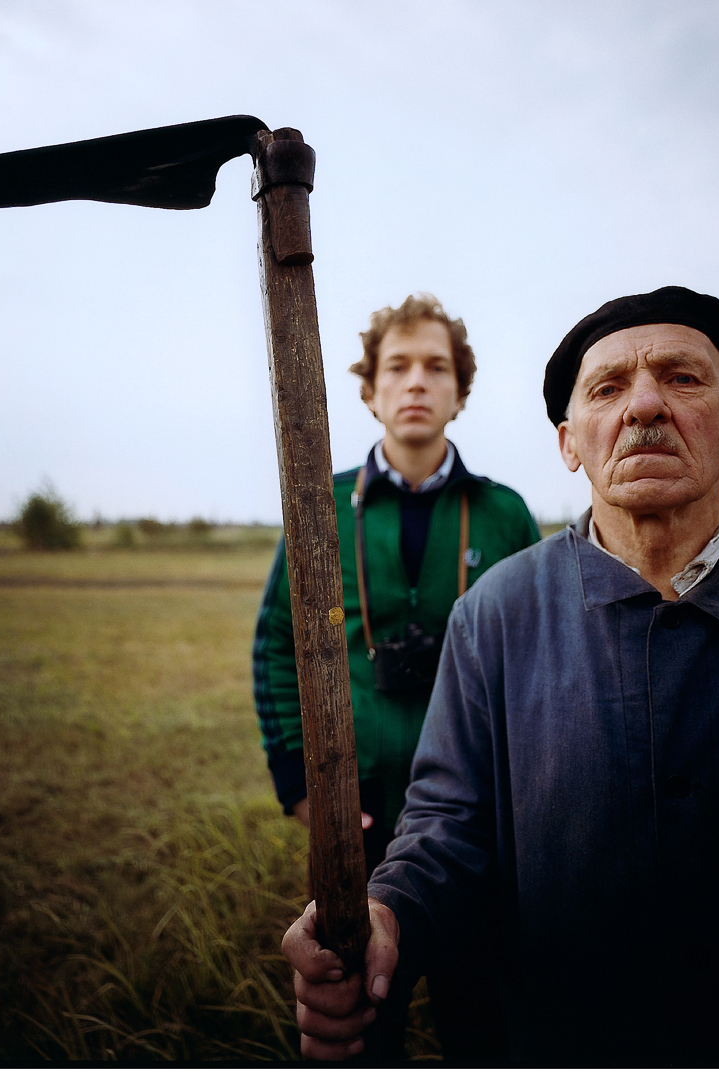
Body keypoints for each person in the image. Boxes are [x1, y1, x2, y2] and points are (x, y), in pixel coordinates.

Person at [282, 286, 719, 1067]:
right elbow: (447, 826)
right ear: (569, 441)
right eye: (608, 388)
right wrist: (390, 914)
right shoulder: (494, 619)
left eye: (681, 377)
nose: (644, 404)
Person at [252, 293, 540, 1058]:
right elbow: (276, 642)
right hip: (360, 807)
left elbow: (538, 660)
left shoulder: (506, 513)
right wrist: (301, 787)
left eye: (436, 367)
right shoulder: (319, 504)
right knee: (360, 1014)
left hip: (479, 813)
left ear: (459, 389)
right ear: (371, 388)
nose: (416, 381)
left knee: (480, 1014)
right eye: (398, 366)